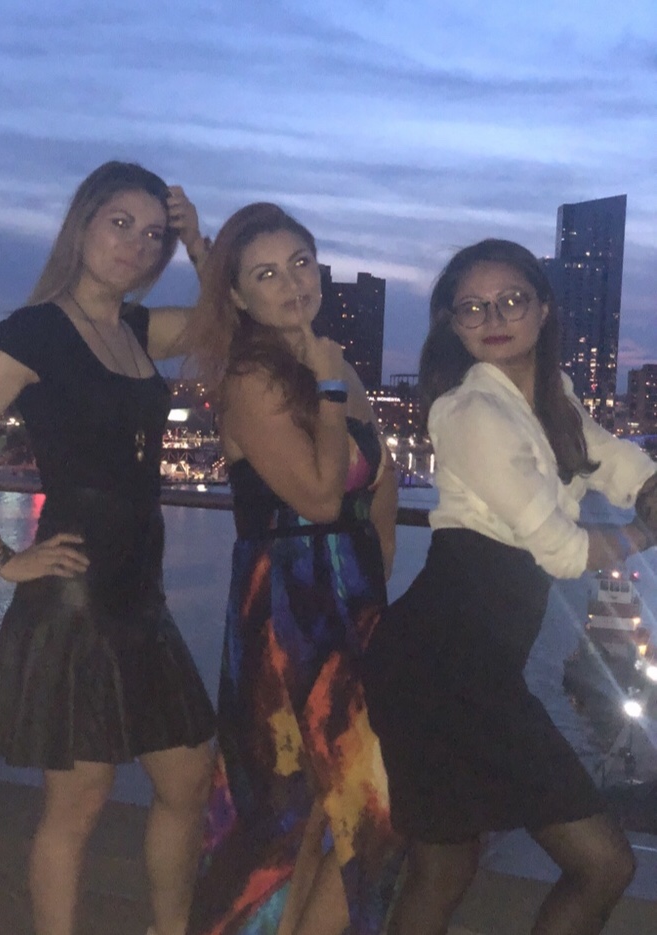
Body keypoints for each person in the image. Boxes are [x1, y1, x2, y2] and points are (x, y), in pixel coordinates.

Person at [0, 161, 216, 935]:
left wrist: (197, 242)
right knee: (78, 802)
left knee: (189, 777)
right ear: (82, 224)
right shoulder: (34, 331)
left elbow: (229, 322)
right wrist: (1, 558)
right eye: (120, 223)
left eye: (151, 234)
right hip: (76, 596)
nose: (135, 244)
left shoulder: (137, 329)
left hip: (141, 594)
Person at [361, 238, 657, 935]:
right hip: (439, 668)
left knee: (445, 866)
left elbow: (612, 461)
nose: (493, 317)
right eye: (473, 307)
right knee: (602, 864)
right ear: (452, 322)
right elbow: (562, 551)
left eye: (511, 300)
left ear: (543, 308)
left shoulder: (551, 394)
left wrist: (648, 486)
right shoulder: (469, 411)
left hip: (468, 665)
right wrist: (644, 533)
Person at [182, 203, 403, 935]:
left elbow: (379, 484)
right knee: (286, 814)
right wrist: (330, 392)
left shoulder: (332, 362)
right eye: (267, 274)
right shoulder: (252, 377)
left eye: (301, 263)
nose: (292, 283)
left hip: (350, 602)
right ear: (239, 296)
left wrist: (375, 585)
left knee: (340, 813)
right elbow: (317, 496)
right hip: (285, 608)